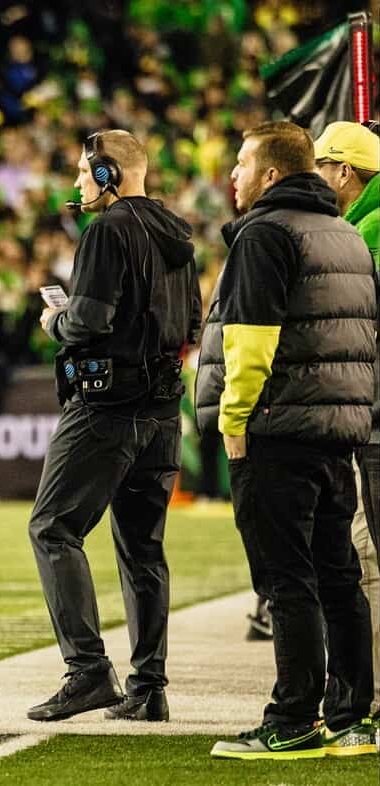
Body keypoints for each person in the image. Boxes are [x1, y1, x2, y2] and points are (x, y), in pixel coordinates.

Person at [198, 121, 376, 759]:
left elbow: (250, 340)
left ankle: (294, 718)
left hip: (277, 428)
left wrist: (234, 419)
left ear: (272, 173)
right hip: (338, 431)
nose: (233, 176)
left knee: (285, 579)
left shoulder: (266, 234)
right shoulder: (347, 235)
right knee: (338, 575)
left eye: (242, 163)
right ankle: (353, 717)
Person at [28, 130, 200, 723]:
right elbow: (193, 321)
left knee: (52, 528)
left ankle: (86, 672)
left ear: (107, 174)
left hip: (107, 408)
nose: (77, 185)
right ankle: (148, 687)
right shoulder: (178, 231)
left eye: (83, 173)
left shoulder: (107, 229)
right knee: (143, 549)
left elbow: (89, 321)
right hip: (161, 412)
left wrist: (56, 320)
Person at [313, 120, 380, 726]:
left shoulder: (369, 230)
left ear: (345, 173)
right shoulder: (360, 226)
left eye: (322, 168)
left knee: (369, 556)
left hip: (374, 417)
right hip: (367, 413)